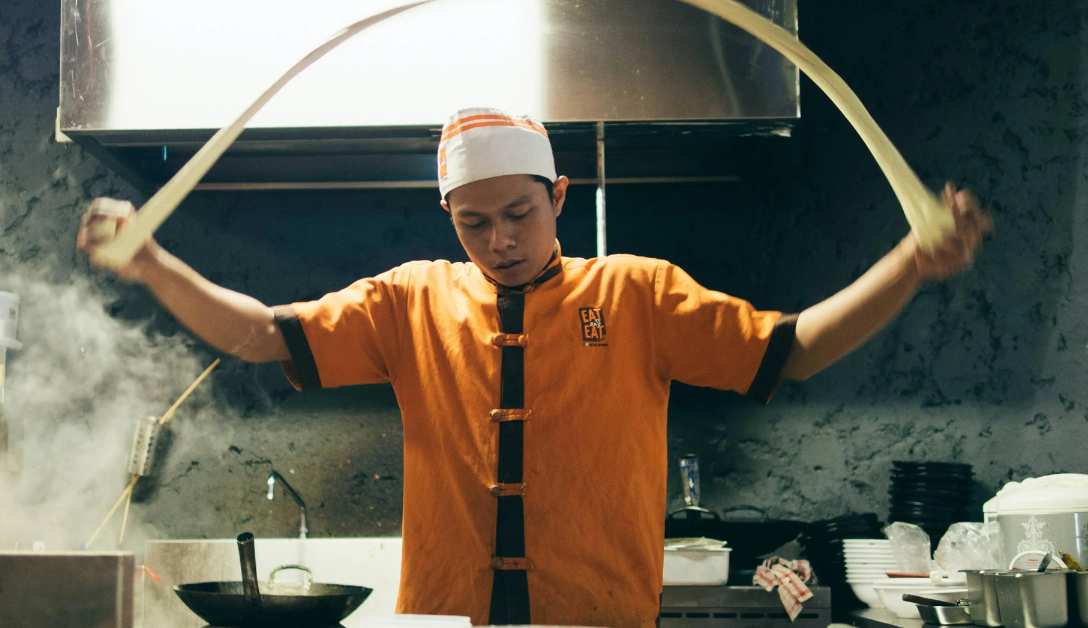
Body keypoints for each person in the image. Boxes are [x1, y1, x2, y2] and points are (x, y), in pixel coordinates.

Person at [77, 108, 992, 628]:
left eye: (519, 212)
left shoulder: (637, 293)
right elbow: (264, 336)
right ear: (448, 216)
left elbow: (792, 352)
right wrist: (153, 264)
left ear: (560, 195)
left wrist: (911, 264)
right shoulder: (409, 299)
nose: (501, 240)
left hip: (598, 620)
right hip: (447, 625)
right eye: (473, 223)